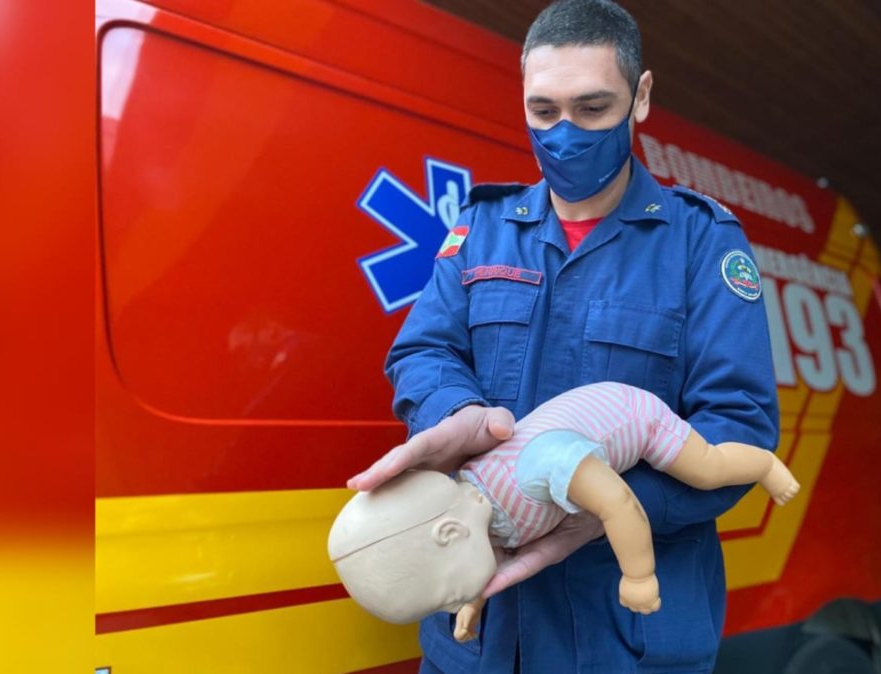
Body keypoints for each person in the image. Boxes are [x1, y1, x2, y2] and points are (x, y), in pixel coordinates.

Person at [348, 0, 779, 671]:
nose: (565, 133)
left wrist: (607, 508)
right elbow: (424, 350)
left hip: (623, 641)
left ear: (639, 98)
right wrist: (460, 416)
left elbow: (738, 428)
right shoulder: (481, 228)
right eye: (544, 111)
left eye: (592, 108)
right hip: (480, 639)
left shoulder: (701, 241)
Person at [331, 383, 798, 641]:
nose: (452, 602)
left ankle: (764, 464)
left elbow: (618, 503)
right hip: (579, 455)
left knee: (707, 468)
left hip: (633, 417)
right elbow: (478, 558)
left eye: (449, 594)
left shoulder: (536, 470)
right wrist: (472, 604)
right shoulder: (474, 513)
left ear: (450, 532)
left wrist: (638, 575)